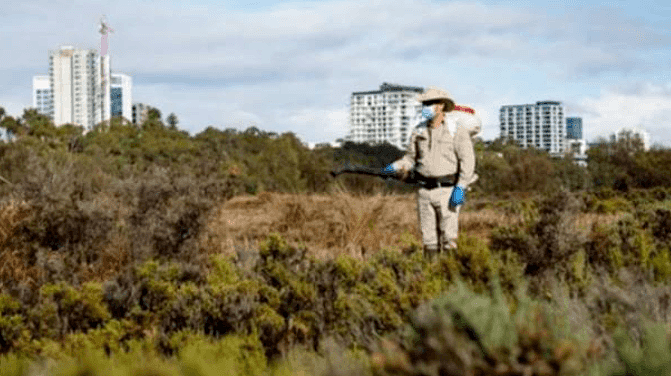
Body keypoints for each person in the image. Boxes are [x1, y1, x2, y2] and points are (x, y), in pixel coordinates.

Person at [384, 86, 478, 258]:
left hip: (447, 190)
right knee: (428, 240)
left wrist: (461, 186)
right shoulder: (418, 130)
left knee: (449, 238)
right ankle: (430, 274)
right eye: (424, 103)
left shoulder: (456, 130)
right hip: (423, 191)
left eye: (430, 103)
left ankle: (450, 276)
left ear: (441, 105)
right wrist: (395, 166)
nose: (425, 107)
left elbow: (468, 160)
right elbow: (410, 158)